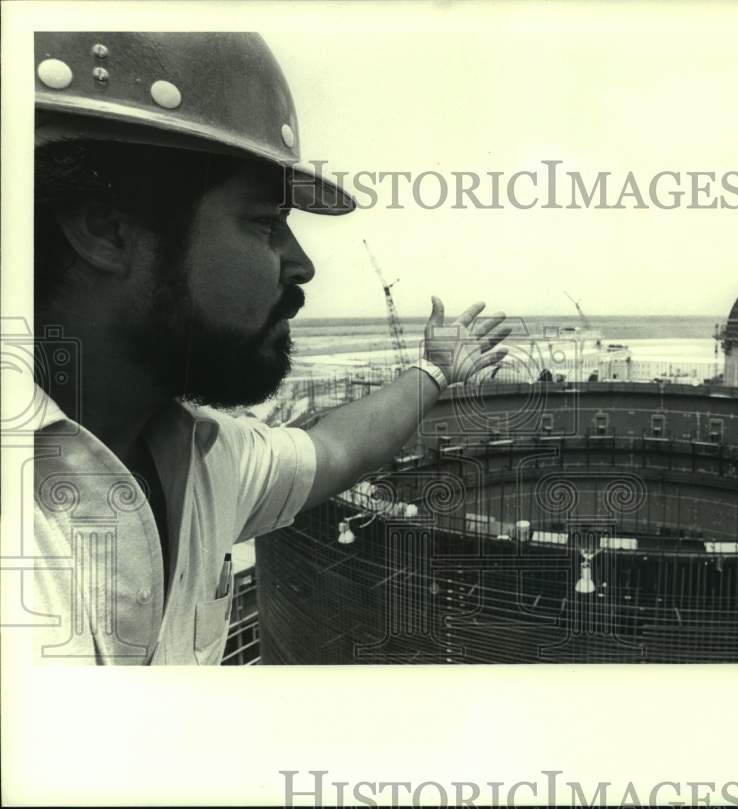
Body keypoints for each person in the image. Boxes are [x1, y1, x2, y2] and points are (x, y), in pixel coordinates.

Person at [30, 32, 510, 664]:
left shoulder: (204, 463)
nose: (302, 265)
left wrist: (433, 370)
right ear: (107, 230)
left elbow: (336, 447)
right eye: (264, 222)